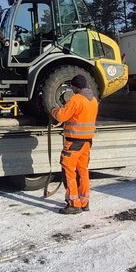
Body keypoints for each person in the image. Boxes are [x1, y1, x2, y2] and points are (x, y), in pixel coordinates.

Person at [50, 74, 98, 214]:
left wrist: (53, 110)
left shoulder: (76, 99)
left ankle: (73, 204)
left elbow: (61, 116)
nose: (71, 88)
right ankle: (84, 202)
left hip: (74, 142)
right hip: (87, 142)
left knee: (69, 172)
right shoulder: (93, 100)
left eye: (72, 86)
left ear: (76, 87)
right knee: (83, 171)